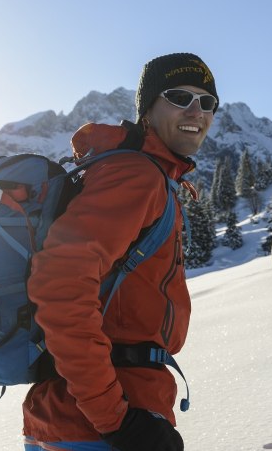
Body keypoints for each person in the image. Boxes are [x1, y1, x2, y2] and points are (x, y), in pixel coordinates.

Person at [22, 53, 219, 451]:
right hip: (101, 425)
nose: (196, 110)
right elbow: (61, 284)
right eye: (180, 96)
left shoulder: (147, 174)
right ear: (148, 108)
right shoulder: (137, 176)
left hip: (79, 415)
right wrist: (118, 420)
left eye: (207, 101)